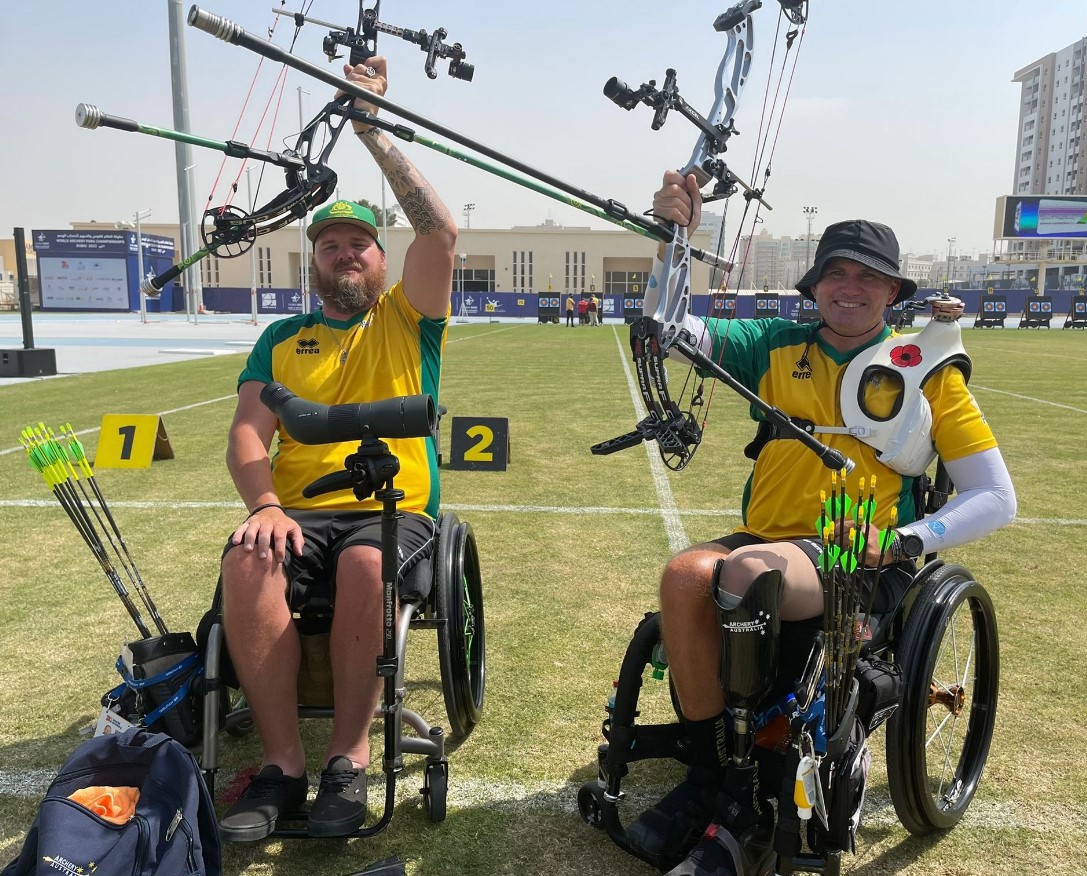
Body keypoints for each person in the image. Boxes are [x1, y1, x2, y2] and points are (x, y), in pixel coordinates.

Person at [629, 171, 1017, 876]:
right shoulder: (774, 342)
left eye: (868, 277)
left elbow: (994, 494)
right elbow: (670, 332)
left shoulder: (926, 370)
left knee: (747, 575)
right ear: (813, 286)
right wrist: (671, 240)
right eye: (834, 273)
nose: (849, 287)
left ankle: (739, 799)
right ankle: (713, 771)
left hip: (859, 555)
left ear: (893, 293)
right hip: (769, 539)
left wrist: (903, 540)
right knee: (685, 575)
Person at [216, 56, 457, 843]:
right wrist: (264, 504)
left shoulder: (406, 318)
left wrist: (370, 128)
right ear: (312, 262)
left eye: (359, 243)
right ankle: (284, 766)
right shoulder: (282, 338)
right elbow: (249, 433)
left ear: (382, 261)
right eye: (330, 245)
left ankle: (347, 760)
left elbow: (439, 229)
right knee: (248, 559)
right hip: (296, 511)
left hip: (393, 510)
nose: (345, 252)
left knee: (365, 565)